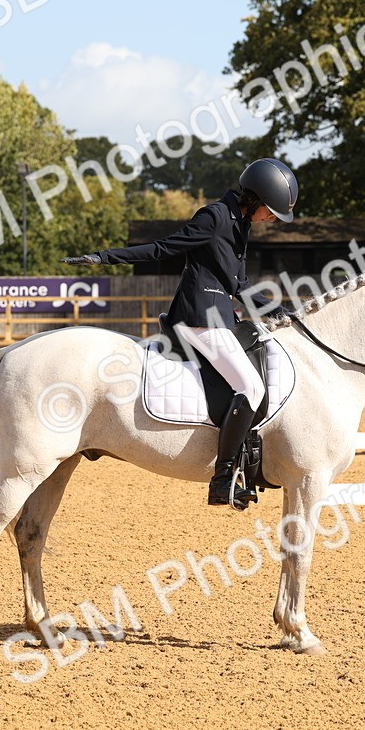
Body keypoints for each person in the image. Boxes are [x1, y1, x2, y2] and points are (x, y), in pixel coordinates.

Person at [62, 157, 298, 508]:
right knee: (250, 387)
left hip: (221, 316)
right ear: (256, 198)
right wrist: (105, 258)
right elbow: (163, 247)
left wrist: (280, 310)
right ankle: (223, 479)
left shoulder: (241, 224)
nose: (273, 219)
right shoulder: (215, 216)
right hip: (199, 317)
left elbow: (240, 284)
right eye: (272, 211)